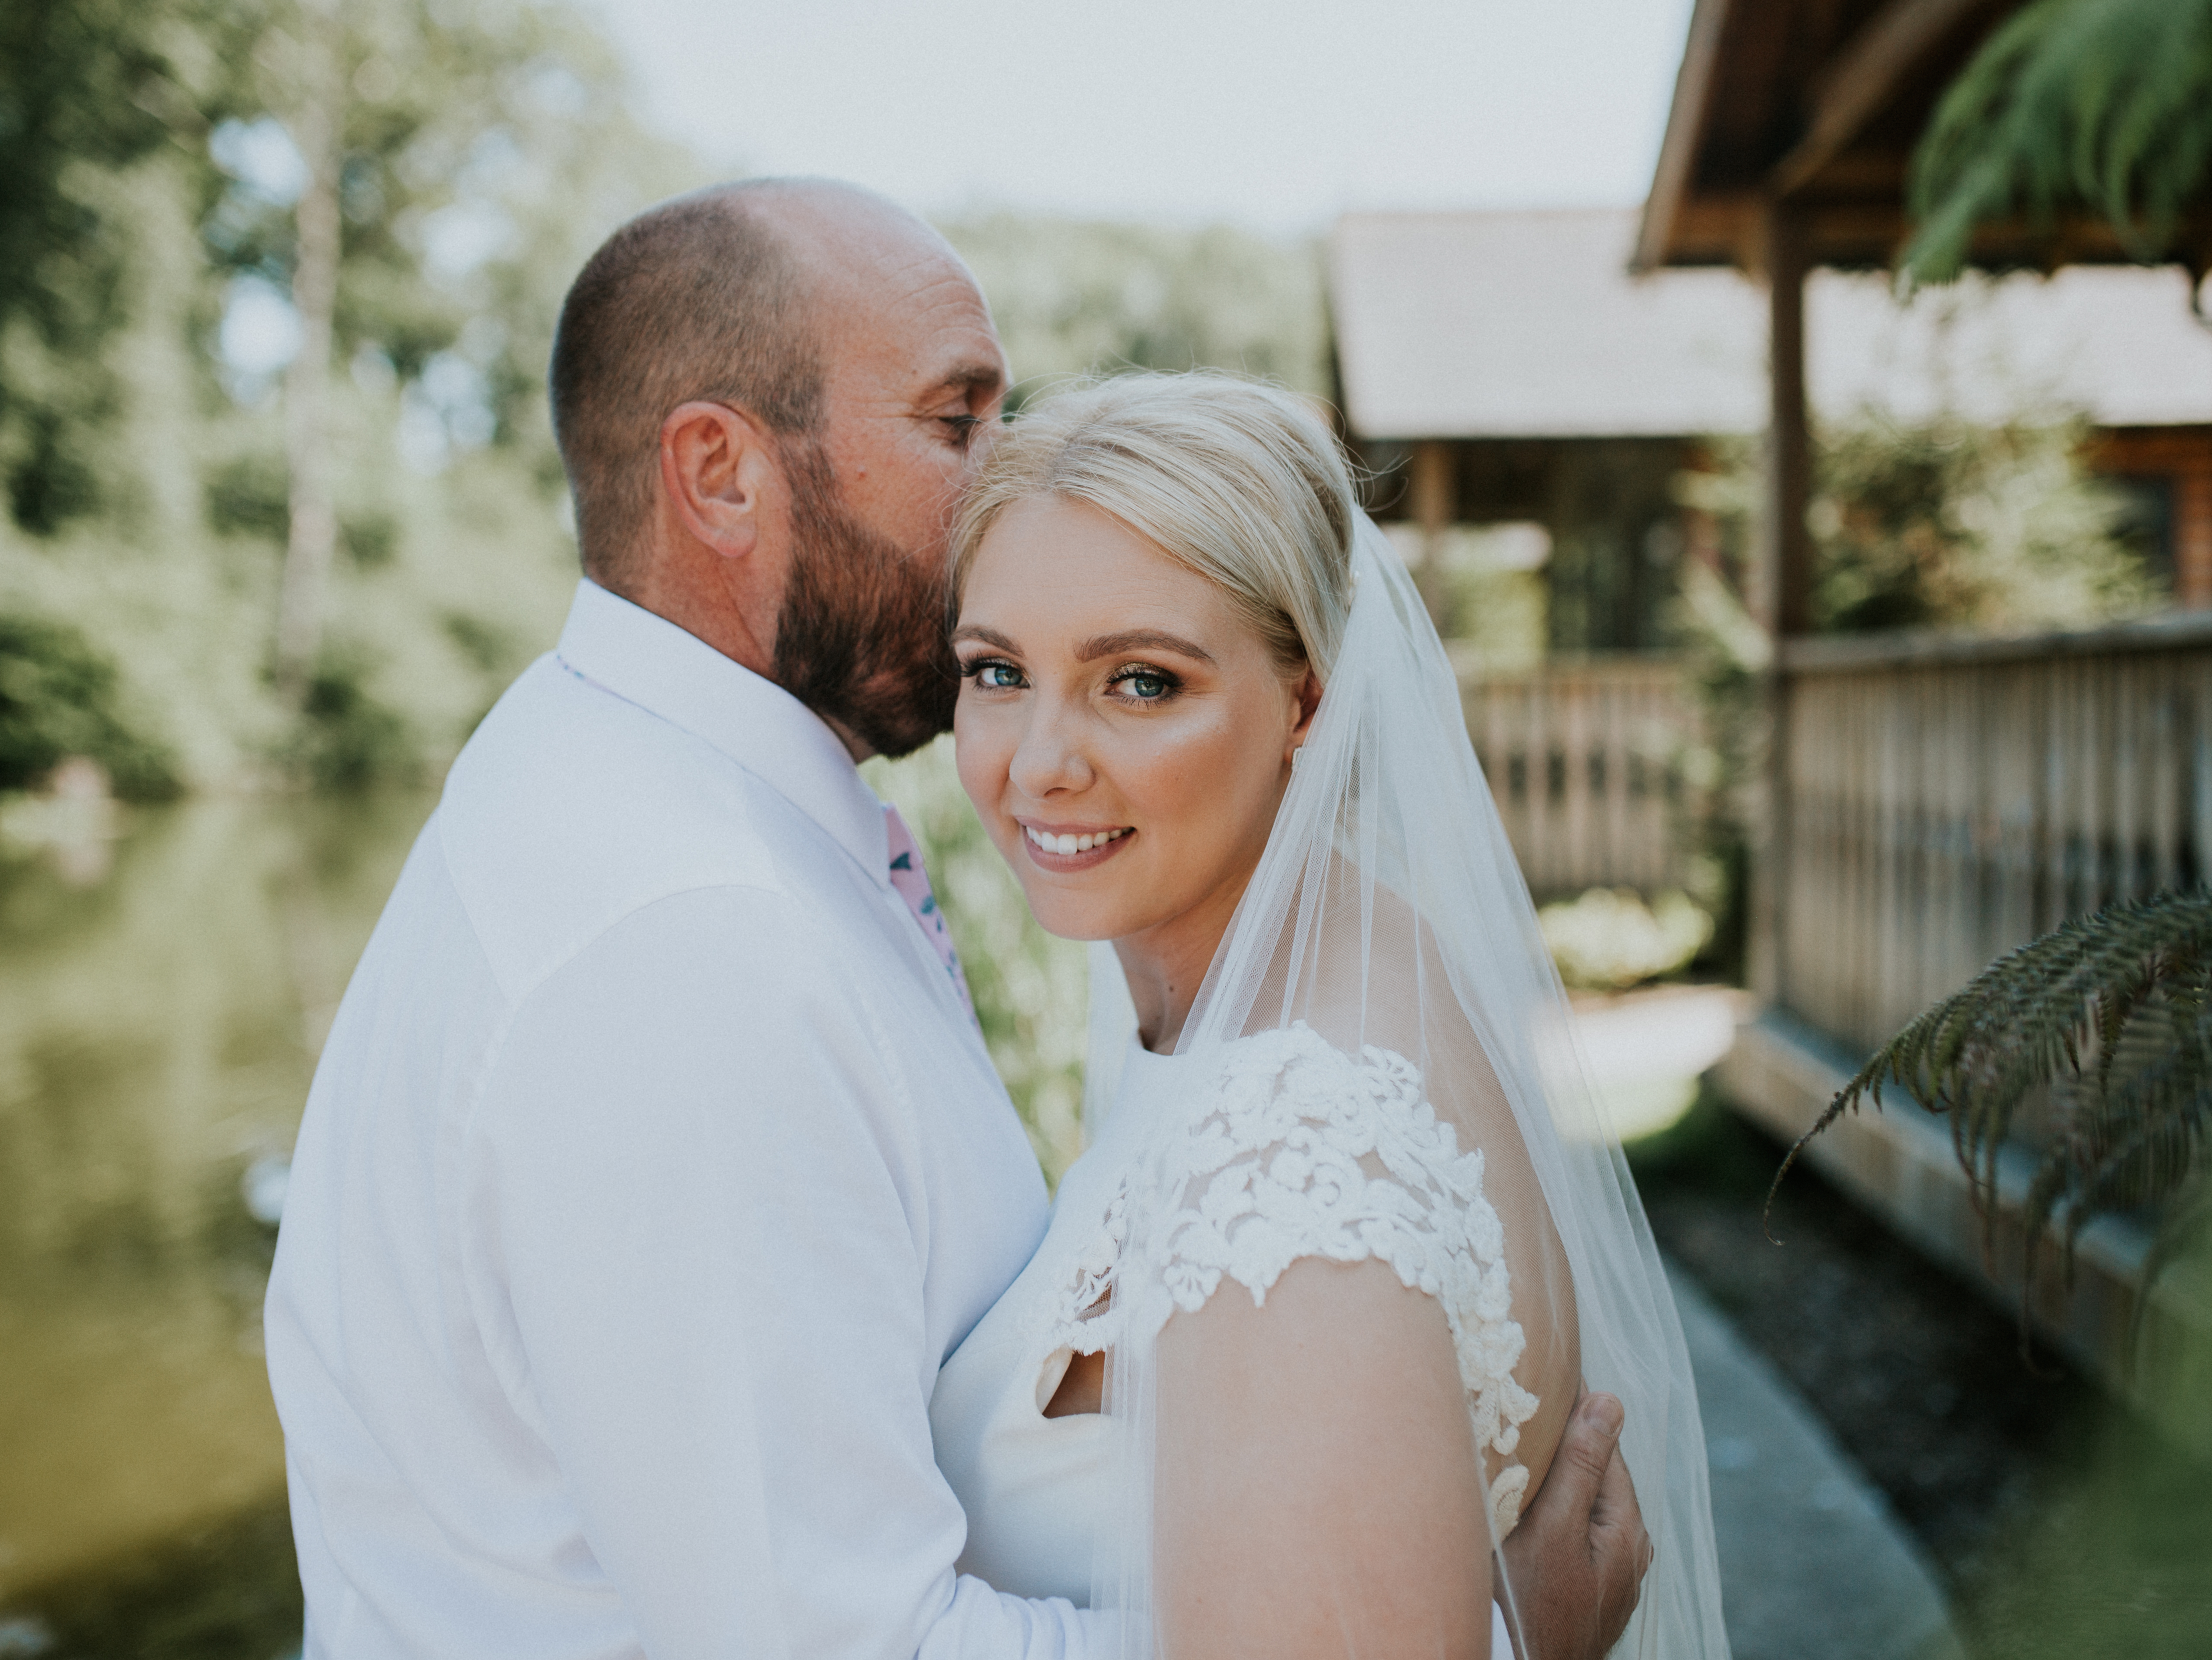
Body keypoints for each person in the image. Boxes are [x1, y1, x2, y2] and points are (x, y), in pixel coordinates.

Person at [264, 177, 1650, 1658]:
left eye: (1139, 677)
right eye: (957, 418)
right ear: (723, 474)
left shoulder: (625, 787)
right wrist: (1478, 1635)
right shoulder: (680, 937)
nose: (1009, 474)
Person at [931, 372, 1726, 1659]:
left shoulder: (1291, 1153)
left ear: (1307, 696)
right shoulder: (1327, 965)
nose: (1038, 761)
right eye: (996, 670)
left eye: (1138, 682)